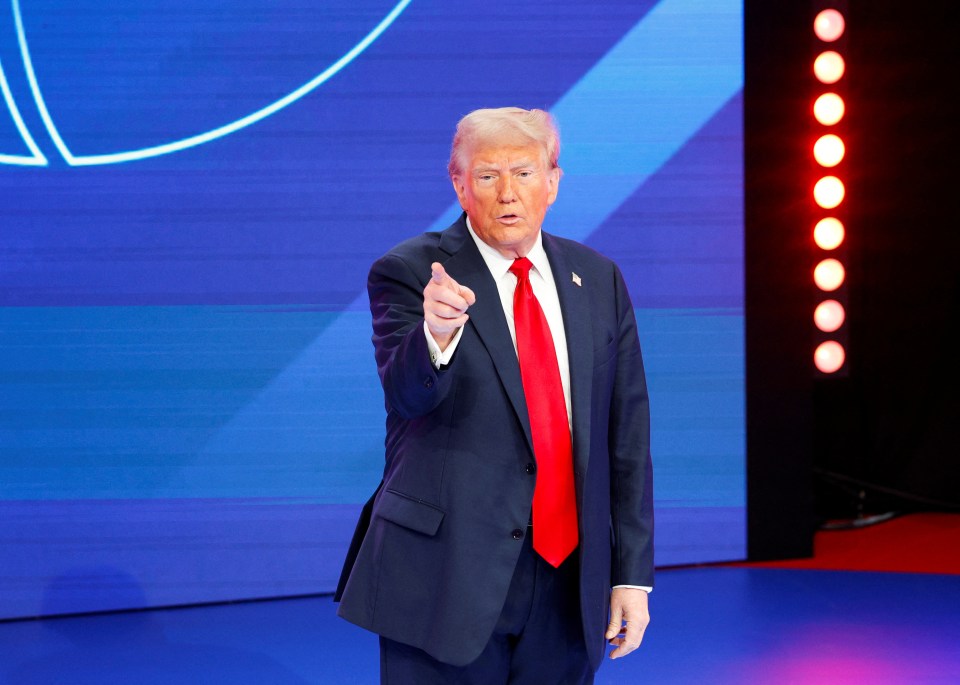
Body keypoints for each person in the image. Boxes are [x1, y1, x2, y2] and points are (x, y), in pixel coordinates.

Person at [335, 107, 654, 684]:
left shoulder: (597, 278)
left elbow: (626, 435)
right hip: (446, 577)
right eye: (486, 176)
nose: (508, 193)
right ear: (459, 184)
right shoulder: (411, 272)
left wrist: (630, 575)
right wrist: (434, 334)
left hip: (568, 580)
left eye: (524, 173)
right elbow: (407, 395)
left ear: (553, 182)